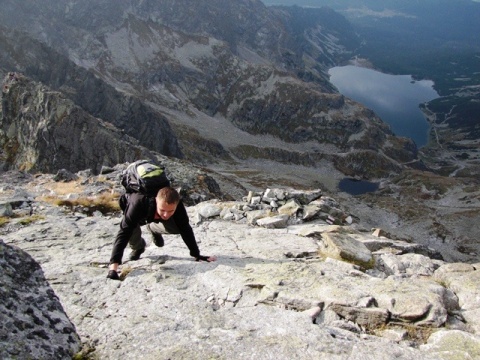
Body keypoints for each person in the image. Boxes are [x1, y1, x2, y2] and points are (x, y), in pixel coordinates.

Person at [107, 186, 216, 280]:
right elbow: (123, 233)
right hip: (136, 213)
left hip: (152, 214)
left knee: (178, 227)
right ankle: (138, 247)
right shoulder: (137, 204)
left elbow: (186, 229)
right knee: (131, 230)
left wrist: (196, 255)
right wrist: (114, 267)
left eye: (171, 211)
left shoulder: (177, 206)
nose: (166, 214)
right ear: (156, 201)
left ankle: (153, 228)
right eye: (163, 210)